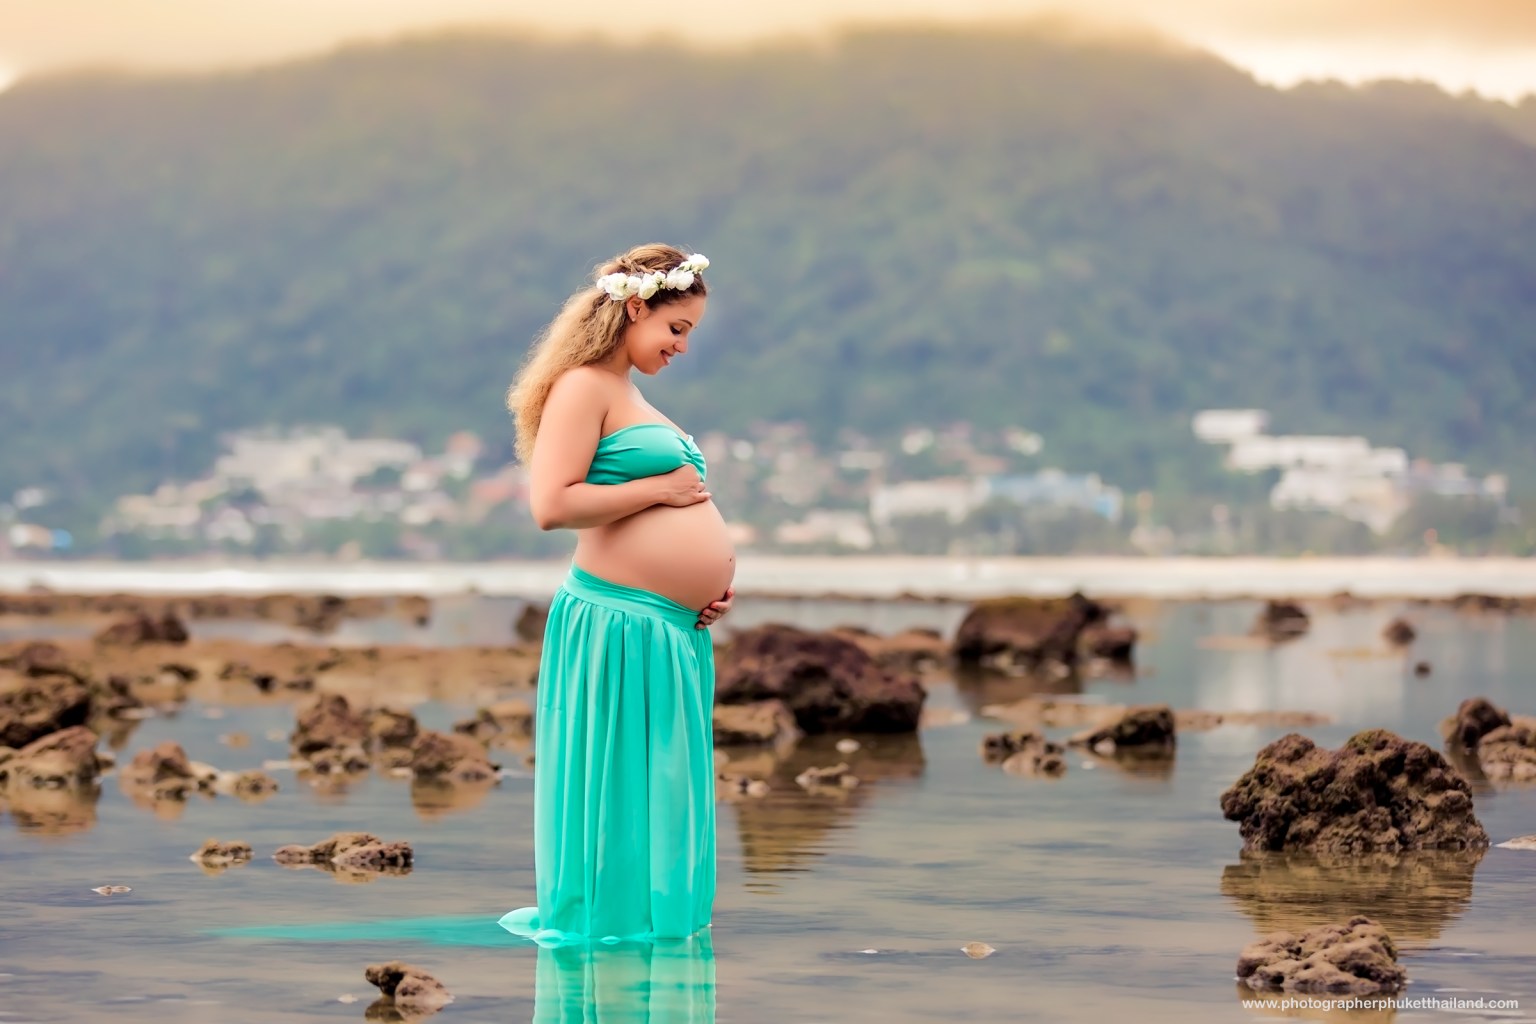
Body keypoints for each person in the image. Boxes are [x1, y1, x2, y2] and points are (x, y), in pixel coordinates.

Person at [499, 244, 736, 946]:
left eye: (689, 332)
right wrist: (663, 490)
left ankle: (651, 929)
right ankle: (618, 936)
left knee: (659, 785)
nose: (682, 345)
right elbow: (553, 504)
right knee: (626, 785)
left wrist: (709, 586)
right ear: (636, 308)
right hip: (617, 623)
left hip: (667, 628)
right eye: (677, 328)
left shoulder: (629, 394)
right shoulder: (583, 386)